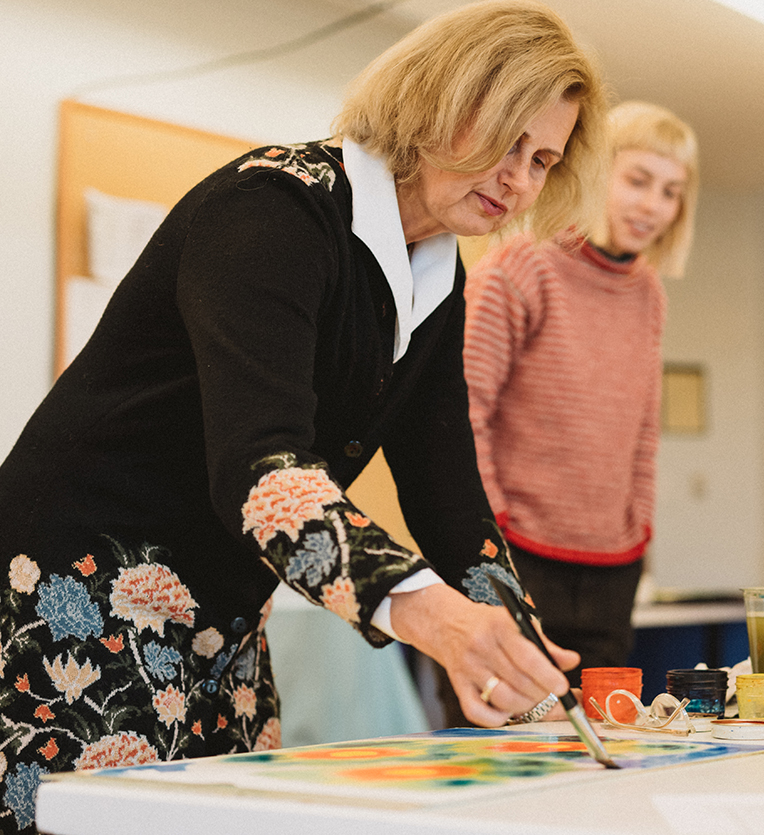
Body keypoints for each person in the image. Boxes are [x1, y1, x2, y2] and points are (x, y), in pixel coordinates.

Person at [0, 2, 607, 830]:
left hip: (222, 615)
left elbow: (449, 499)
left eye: (542, 160)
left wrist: (538, 680)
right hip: (79, 594)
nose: (521, 180)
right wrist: (430, 612)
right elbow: (261, 467)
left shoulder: (438, 275)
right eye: (507, 142)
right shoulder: (273, 211)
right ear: (436, 102)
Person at [462, 101, 699, 698]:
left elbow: (644, 427)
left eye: (671, 191)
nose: (653, 205)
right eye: (638, 180)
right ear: (594, 172)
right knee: (505, 730)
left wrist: (637, 524)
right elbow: (466, 413)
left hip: (613, 564)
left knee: (602, 742)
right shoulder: (522, 264)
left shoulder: (648, 290)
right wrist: (495, 526)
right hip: (516, 551)